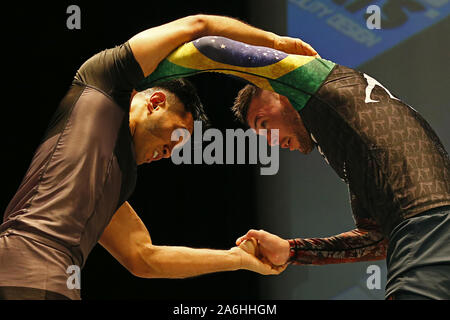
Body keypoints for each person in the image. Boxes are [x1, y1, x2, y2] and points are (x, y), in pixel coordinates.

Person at [0, 15, 317, 300]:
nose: (171, 152)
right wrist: (275, 44)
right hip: (25, 271)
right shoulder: (102, 85)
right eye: (177, 136)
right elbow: (198, 26)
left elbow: (143, 258)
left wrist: (238, 260)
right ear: (155, 102)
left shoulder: (114, 181)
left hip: (49, 282)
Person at [232, 61, 450, 299]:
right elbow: (376, 238)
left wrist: (196, 35)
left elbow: (251, 53)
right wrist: (291, 250)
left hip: (427, 238)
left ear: (284, 94)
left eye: (265, 125)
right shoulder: (349, 142)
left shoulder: (326, 91)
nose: (272, 142)